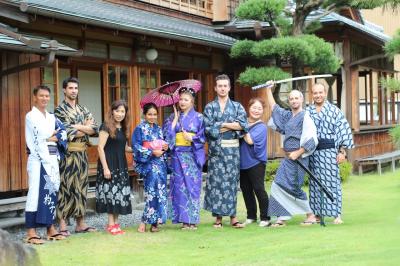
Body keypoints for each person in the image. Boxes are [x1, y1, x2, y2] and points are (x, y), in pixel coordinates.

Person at [265, 82, 318, 227]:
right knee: (278, 184)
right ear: (289, 101)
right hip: (289, 157)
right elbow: (274, 108)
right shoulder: (287, 116)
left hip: (300, 157)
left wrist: (299, 152)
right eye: (291, 99)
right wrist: (268, 90)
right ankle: (282, 217)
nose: (294, 101)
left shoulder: (306, 116)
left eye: (296, 98)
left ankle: (311, 215)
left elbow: (312, 139)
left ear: (301, 100)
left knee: (294, 187)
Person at [203, 74, 248, 228]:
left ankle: (233, 217)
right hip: (216, 151)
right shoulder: (210, 107)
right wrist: (230, 124)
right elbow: (208, 129)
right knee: (217, 183)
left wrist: (221, 125)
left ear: (229, 87)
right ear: (215, 88)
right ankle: (218, 218)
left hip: (232, 151)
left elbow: (243, 125)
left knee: (231, 182)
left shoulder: (237, 106)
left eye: (225, 86)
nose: (222, 88)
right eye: (219, 86)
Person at [55, 77, 98, 235]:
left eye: (76, 88)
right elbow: (65, 131)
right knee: (65, 187)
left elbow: (94, 129)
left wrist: (77, 126)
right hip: (68, 154)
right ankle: (63, 225)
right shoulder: (60, 110)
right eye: (70, 88)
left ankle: (80, 223)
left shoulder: (83, 109)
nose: (74, 91)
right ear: (64, 90)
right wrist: (83, 127)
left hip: (82, 154)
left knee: (81, 188)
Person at [306, 83, 354, 224]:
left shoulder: (334, 110)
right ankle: (318, 213)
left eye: (320, 92)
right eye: (315, 93)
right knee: (315, 184)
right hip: (313, 152)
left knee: (333, 182)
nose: (318, 95)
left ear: (325, 93)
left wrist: (342, 151)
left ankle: (336, 214)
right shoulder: (308, 111)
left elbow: (343, 131)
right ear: (312, 94)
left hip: (330, 151)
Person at [25, 85, 67, 244]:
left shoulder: (51, 117)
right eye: (41, 95)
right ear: (35, 97)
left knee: (51, 192)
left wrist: (52, 137)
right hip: (37, 160)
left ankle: (50, 228)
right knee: (35, 193)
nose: (44, 99)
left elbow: (63, 132)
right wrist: (50, 136)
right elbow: (40, 133)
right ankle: (31, 231)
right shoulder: (30, 116)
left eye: (47, 96)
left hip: (51, 159)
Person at [163, 87, 206, 230]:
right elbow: (167, 137)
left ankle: (192, 220)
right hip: (177, 156)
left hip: (192, 156)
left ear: (192, 101)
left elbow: (204, 136)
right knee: (179, 188)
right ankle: (183, 220)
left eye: (185, 99)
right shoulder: (173, 117)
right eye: (180, 99)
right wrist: (175, 121)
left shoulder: (199, 118)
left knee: (192, 187)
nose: (182, 102)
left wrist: (192, 137)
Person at [96, 100, 133, 235]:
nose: (120, 114)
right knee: (111, 193)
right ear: (112, 111)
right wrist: (105, 168)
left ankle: (116, 224)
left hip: (120, 164)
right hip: (109, 163)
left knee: (119, 193)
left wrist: (140, 149)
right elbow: (100, 147)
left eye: (122, 111)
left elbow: (125, 148)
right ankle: (111, 224)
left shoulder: (123, 127)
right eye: (117, 111)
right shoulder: (105, 126)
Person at [132, 103, 168, 233]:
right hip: (149, 165)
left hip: (160, 164)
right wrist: (152, 152)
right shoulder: (139, 129)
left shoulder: (159, 129)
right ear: (144, 115)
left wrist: (165, 147)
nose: (152, 117)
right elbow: (136, 147)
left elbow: (163, 143)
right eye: (149, 114)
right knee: (151, 193)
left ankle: (155, 223)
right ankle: (144, 221)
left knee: (161, 193)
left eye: (154, 114)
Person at [240, 98, 271, 227]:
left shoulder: (261, 127)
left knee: (259, 189)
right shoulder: (243, 123)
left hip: (256, 162)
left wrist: (241, 128)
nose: (256, 110)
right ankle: (251, 216)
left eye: (259, 108)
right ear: (249, 108)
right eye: (254, 107)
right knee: (246, 190)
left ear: (262, 111)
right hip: (242, 162)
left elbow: (250, 141)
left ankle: (265, 217)